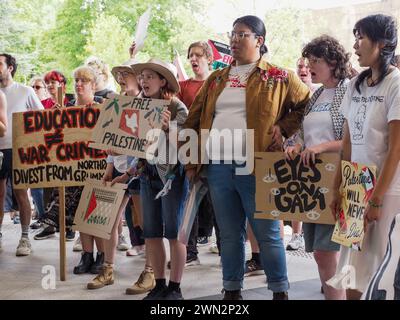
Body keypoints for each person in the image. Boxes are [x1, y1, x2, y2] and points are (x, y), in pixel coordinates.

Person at [183, 15, 310, 300]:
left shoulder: (279, 76)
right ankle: (231, 290)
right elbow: (192, 121)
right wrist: (192, 162)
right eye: (232, 34)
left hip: (258, 163)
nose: (234, 40)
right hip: (217, 165)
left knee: (268, 233)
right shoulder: (217, 78)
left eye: (241, 35)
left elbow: (307, 105)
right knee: (228, 235)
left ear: (259, 40)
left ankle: (280, 291)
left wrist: (284, 127)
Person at [330, 14, 400, 300]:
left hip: (387, 190)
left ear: (382, 44)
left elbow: (396, 148)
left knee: (380, 267)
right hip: (356, 184)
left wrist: (378, 198)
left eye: (361, 37)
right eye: (355, 37)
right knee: (350, 267)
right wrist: (337, 187)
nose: (355, 44)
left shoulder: (395, 84)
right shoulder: (354, 85)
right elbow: (347, 144)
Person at [285, 35, 351, 300]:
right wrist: (296, 145)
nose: (309, 65)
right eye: (309, 60)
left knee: (331, 251)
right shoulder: (317, 94)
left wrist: (321, 148)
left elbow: (354, 137)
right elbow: (305, 132)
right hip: (312, 181)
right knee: (322, 253)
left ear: (333, 61)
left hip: (339, 178)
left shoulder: (350, 90)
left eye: (316, 60)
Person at [121, 58, 188, 300]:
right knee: (150, 232)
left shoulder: (177, 107)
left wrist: (168, 127)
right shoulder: (139, 106)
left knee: (174, 232)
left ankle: (175, 287)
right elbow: (136, 146)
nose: (143, 80)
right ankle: (159, 284)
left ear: (163, 81)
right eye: (142, 77)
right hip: (148, 175)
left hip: (173, 176)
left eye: (150, 76)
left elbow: (185, 144)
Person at [0, 53, 43, 255]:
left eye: (0, 64)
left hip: (20, 149)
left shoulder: (25, 91)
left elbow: (42, 119)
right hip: (0, 149)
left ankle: (25, 238)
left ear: (10, 67)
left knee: (21, 193)